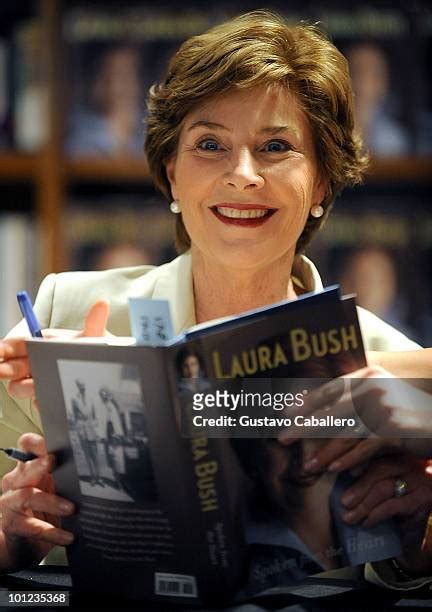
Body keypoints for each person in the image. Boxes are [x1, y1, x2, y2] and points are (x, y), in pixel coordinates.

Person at [0, 9, 431, 585]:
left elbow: (407, 563)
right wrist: (12, 535)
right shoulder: (64, 315)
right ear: (172, 172)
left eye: (276, 146)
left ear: (323, 181)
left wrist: (415, 538)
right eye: (210, 144)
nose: (243, 174)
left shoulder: (386, 361)